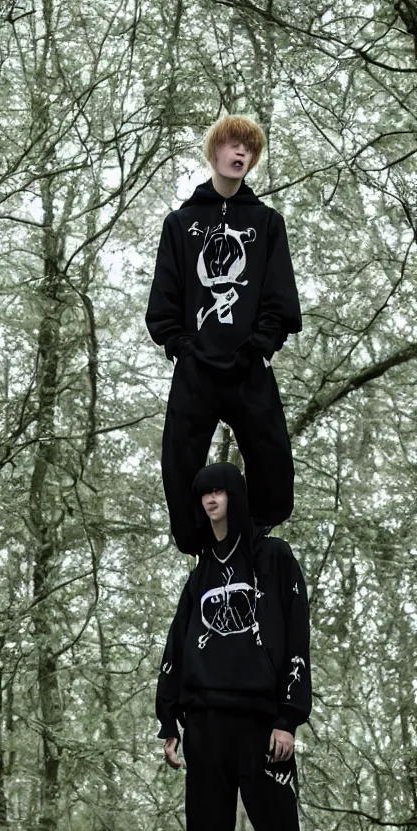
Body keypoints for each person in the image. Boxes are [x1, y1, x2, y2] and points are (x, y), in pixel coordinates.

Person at [155, 462, 328, 831]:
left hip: (261, 729)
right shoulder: (201, 569)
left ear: (237, 495)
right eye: (203, 492)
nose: (211, 500)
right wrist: (169, 720)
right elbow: (177, 644)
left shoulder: (274, 559)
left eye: (220, 491)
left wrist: (287, 718)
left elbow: (296, 637)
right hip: (205, 727)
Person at [145, 115, 302, 555]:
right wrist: (181, 347)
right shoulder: (180, 224)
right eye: (233, 146)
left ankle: (251, 537)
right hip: (197, 367)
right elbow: (165, 297)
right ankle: (201, 543)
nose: (241, 155)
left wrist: (262, 346)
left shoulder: (268, 223)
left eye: (249, 150)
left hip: (249, 364)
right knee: (179, 457)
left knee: (272, 455)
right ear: (214, 152)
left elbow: (279, 295)